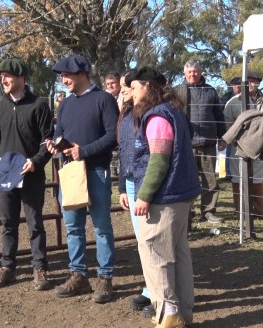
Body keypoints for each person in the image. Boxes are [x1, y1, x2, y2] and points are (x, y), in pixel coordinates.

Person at [129, 67, 201, 328]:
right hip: (181, 194)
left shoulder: (156, 116)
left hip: (165, 198)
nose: (130, 94)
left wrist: (144, 195)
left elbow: (159, 160)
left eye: (134, 88)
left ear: (147, 87)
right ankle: (184, 312)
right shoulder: (175, 112)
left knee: (155, 253)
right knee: (179, 253)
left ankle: (168, 314)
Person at [46, 54, 118, 304]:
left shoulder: (104, 100)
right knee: (73, 227)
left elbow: (113, 136)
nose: (63, 79)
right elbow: (58, 133)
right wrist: (55, 145)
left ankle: (105, 278)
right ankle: (79, 275)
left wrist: (83, 150)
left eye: (67, 74)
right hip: (71, 172)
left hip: (96, 171)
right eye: (62, 76)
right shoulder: (65, 105)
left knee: (101, 226)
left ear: (82, 74)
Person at [0, 58, 54, 291]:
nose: (3, 80)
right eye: (1, 77)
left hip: (31, 176)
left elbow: (48, 143)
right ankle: (7, 267)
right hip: (5, 176)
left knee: (35, 223)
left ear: (21, 78)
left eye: (8, 76)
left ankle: (40, 267)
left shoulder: (38, 106)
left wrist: (36, 162)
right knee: (8, 223)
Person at [117, 69, 154, 317]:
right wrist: (122, 186)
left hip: (145, 181)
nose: (122, 92)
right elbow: (123, 152)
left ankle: (157, 291)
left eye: (126, 87)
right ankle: (150, 287)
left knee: (151, 238)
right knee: (142, 239)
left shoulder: (148, 115)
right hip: (131, 181)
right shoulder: (126, 115)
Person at [223, 71, 263, 220]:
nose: (250, 83)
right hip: (239, 146)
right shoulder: (233, 102)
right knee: (237, 178)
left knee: (258, 178)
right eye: (247, 81)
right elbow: (227, 123)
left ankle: (259, 212)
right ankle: (239, 212)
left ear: (258, 82)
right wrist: (234, 142)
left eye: (253, 80)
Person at [180, 59, 226, 224]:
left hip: (208, 142)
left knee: (210, 180)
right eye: (189, 72)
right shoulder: (178, 91)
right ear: (185, 73)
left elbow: (219, 116)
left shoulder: (210, 91)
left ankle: (208, 211)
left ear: (200, 72)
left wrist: (222, 137)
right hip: (186, 144)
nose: (193, 74)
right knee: (187, 180)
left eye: (195, 71)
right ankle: (187, 212)